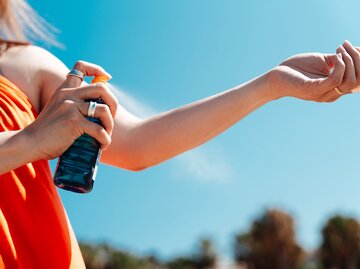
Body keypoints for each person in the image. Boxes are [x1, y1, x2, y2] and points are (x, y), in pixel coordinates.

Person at [0, 0, 360, 268]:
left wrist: (271, 83)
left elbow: (140, 144)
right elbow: (29, 143)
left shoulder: (27, 64)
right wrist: (29, 141)